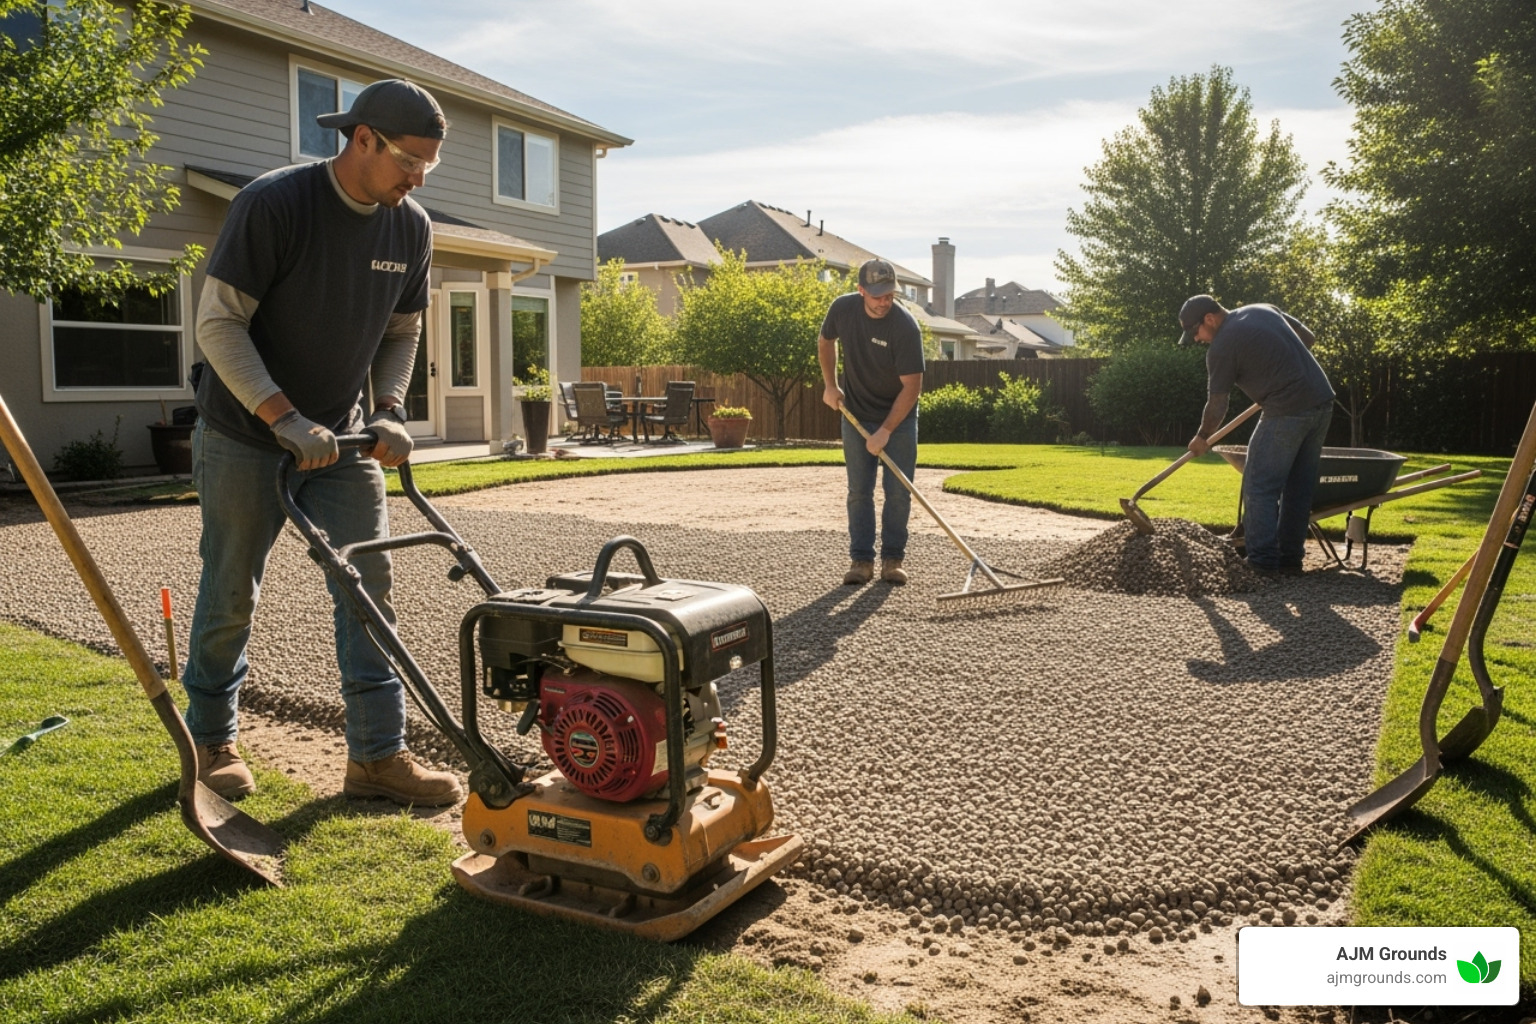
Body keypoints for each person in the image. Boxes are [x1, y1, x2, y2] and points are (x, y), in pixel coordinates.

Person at [183, 79, 461, 807]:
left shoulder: (412, 227)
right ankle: (210, 739)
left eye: (430, 165)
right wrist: (282, 416)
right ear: (361, 139)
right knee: (231, 590)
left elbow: (403, 332)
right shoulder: (274, 204)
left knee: (368, 589)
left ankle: (377, 757)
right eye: (409, 160)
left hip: (343, 438)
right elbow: (218, 326)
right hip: (245, 433)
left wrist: (393, 407)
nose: (418, 177)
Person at [1180, 294, 1335, 574]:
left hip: (1287, 409)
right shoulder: (1263, 309)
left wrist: (1201, 437)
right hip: (1322, 400)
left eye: (1195, 332)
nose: (1196, 339)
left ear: (1210, 319)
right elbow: (1308, 338)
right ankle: (1289, 560)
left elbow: (1218, 404)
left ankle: (1262, 562)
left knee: (1259, 484)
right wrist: (1277, 371)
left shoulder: (1222, 347)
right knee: (1298, 487)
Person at [818, 258, 925, 586]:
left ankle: (892, 560)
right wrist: (830, 385)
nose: (884, 301)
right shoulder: (843, 310)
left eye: (889, 295)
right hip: (856, 413)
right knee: (859, 491)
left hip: (899, 417)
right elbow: (825, 342)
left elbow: (913, 387)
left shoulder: (905, 327)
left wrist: (886, 431)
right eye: (877, 295)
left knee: (899, 491)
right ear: (860, 290)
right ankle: (861, 561)